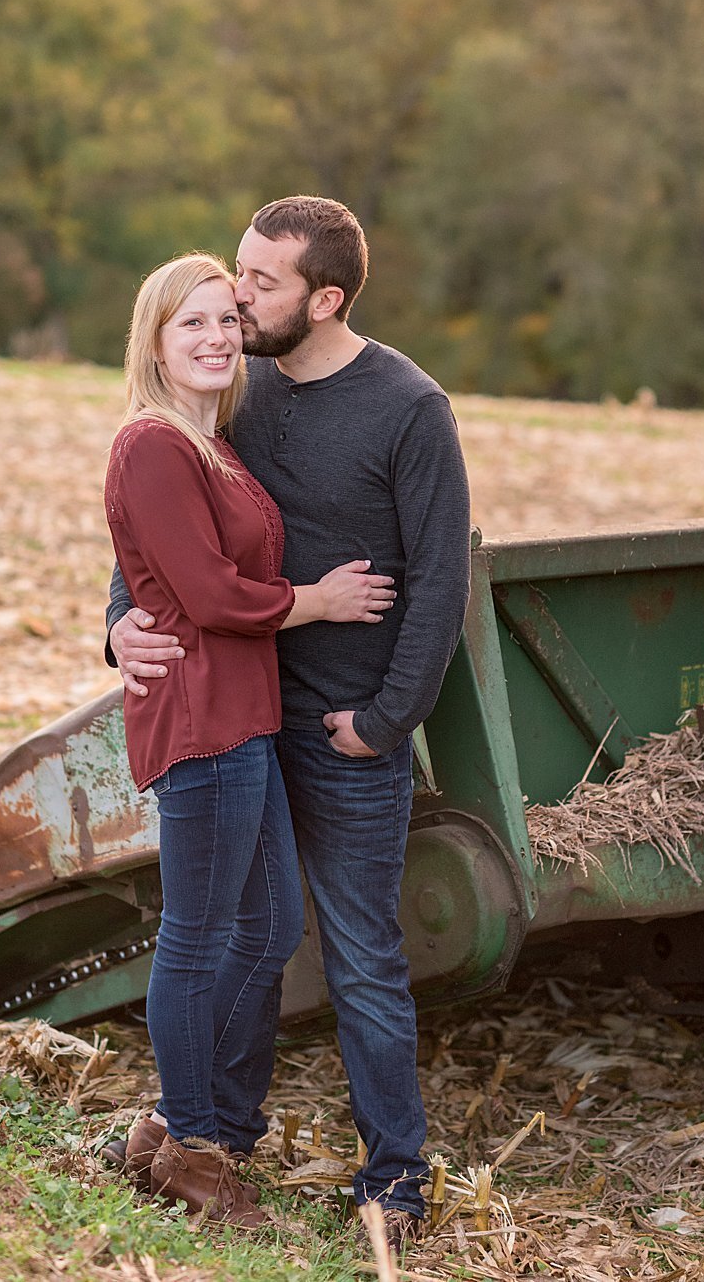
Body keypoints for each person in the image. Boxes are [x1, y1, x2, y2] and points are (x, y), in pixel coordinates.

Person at [108, 197, 472, 1251]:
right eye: (234, 275)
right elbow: (157, 539)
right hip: (238, 717)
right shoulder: (236, 388)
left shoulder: (408, 407)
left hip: (344, 727)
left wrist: (385, 718)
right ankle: (217, 1136)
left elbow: (440, 579)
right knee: (250, 941)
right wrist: (118, 628)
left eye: (258, 285)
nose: (234, 300)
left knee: (358, 954)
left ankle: (394, 1178)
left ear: (325, 299)